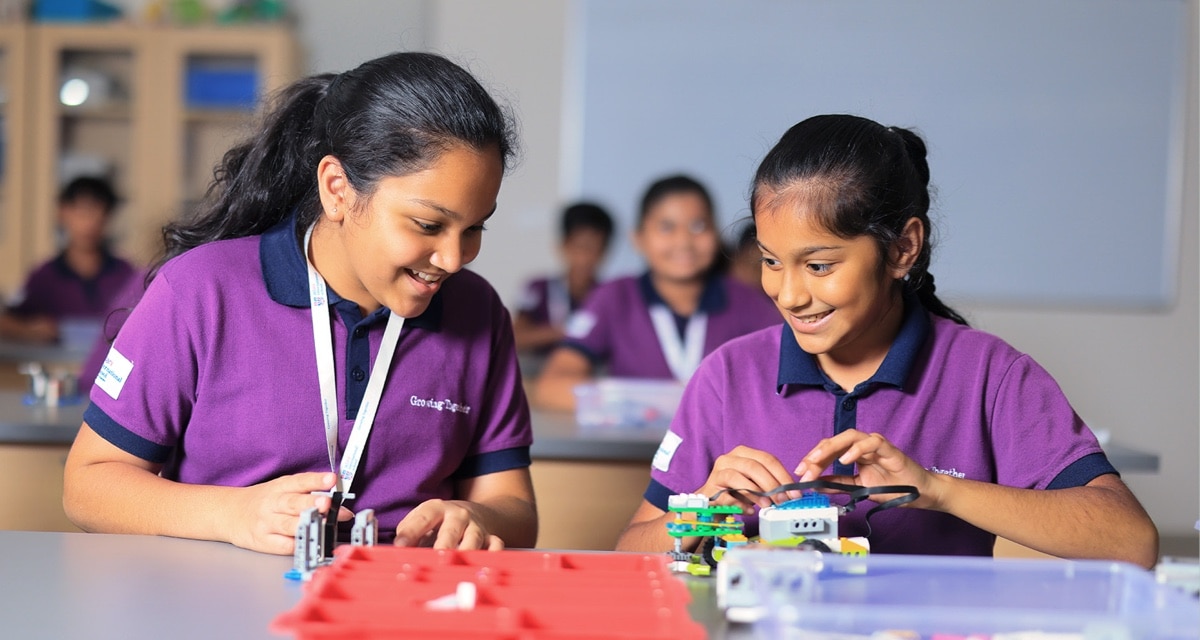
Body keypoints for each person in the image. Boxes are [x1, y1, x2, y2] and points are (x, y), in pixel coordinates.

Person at [615, 115, 1158, 568]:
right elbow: (628, 553)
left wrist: (937, 489)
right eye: (771, 261)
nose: (789, 294)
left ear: (903, 249)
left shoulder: (988, 373)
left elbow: (1130, 541)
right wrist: (701, 512)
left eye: (820, 265)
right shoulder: (727, 375)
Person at [63, 52, 538, 555]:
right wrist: (233, 515)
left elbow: (515, 510)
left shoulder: (478, 312)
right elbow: (88, 486)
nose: (453, 257)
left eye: (474, 228)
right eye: (428, 225)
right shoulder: (200, 291)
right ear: (337, 189)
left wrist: (477, 517)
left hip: (406, 606)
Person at [532, 174, 779, 412]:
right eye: (666, 227)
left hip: (721, 451)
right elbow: (551, 387)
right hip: (632, 450)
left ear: (715, 234)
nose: (683, 241)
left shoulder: (748, 302)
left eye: (698, 226)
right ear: (638, 238)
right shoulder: (615, 297)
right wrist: (645, 401)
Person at [0, 176, 137, 344]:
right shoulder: (44, 277)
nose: (89, 223)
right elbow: (6, 321)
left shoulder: (125, 274)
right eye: (82, 213)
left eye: (97, 213)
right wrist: (29, 330)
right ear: (63, 212)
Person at [512, 201, 614, 355]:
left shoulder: (609, 294)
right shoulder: (538, 288)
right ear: (563, 245)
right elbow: (516, 337)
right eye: (581, 246)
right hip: (541, 372)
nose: (586, 258)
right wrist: (569, 330)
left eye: (597, 249)